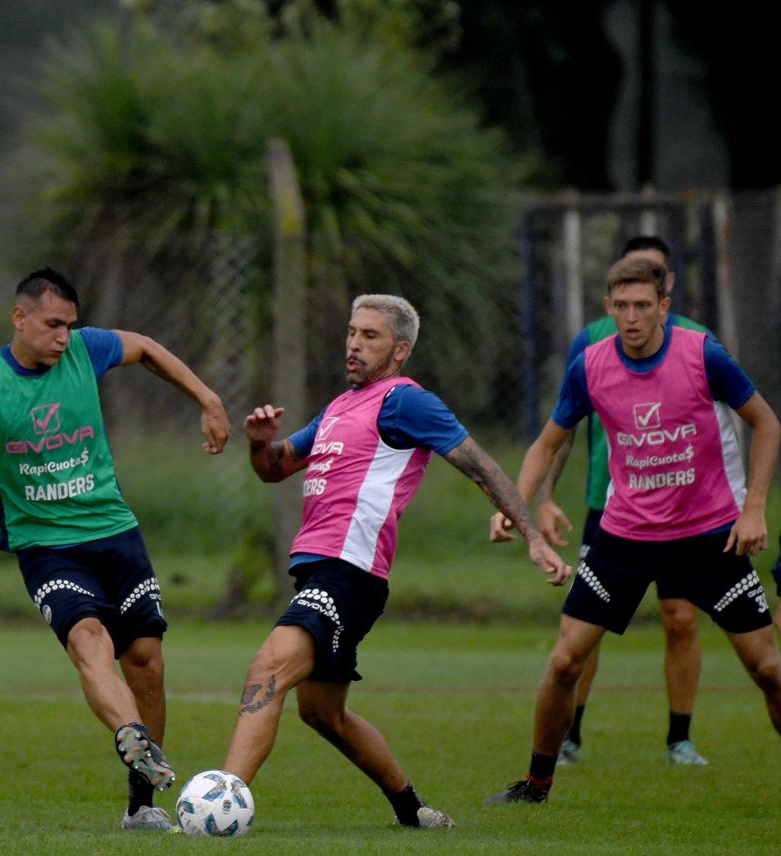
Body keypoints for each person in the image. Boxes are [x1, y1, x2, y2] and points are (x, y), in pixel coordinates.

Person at [220, 294, 570, 830]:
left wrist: (532, 536)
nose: (354, 344)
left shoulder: (405, 401)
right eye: (352, 332)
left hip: (349, 571)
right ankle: (414, 811)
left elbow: (480, 466)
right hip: (321, 569)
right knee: (322, 712)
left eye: (370, 336)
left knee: (267, 668)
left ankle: (221, 805)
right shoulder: (339, 407)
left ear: (400, 350)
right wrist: (258, 444)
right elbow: (276, 466)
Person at [0, 267, 231, 832]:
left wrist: (208, 397)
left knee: (145, 659)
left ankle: (141, 805)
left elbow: (146, 348)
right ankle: (130, 732)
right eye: (53, 324)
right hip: (45, 544)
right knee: (88, 639)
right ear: (19, 317)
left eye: (70, 325)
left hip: (114, 530)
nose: (63, 337)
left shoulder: (85, 350)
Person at [486, 255, 781, 805]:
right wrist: (513, 504)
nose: (631, 317)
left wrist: (755, 507)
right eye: (620, 306)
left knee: (767, 668)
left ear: (664, 306)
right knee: (565, 660)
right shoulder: (590, 365)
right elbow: (547, 444)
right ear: (607, 307)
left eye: (642, 305)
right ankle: (535, 784)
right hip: (624, 537)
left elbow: (766, 422)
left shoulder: (703, 354)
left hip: (707, 535)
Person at [534, 235, 717, 766]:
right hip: (610, 508)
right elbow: (563, 427)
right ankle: (570, 736)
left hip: (683, 515)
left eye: (647, 288)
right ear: (611, 297)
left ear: (666, 290)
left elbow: (725, 427)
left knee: (680, 617)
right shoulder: (591, 342)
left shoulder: (698, 342)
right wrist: (545, 496)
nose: (633, 311)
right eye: (623, 298)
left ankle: (680, 739)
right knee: (583, 633)